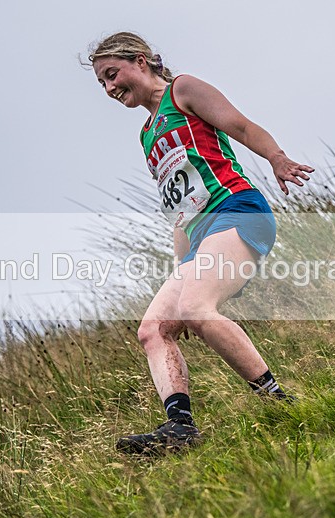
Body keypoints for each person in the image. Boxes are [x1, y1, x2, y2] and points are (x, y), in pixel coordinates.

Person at [87, 32, 314, 455]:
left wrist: (277, 158)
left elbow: (241, 125)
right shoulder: (147, 135)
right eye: (102, 83)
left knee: (195, 308)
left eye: (112, 75)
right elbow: (180, 210)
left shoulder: (183, 90)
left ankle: (280, 403)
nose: (109, 88)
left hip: (238, 210)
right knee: (154, 329)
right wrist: (183, 268)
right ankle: (180, 427)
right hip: (199, 233)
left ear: (141, 61)